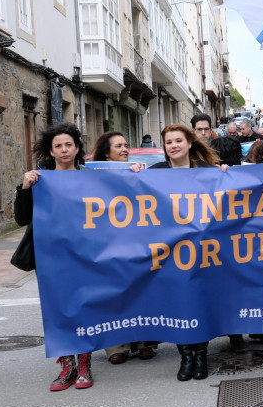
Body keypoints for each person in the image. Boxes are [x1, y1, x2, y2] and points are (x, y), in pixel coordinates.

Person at [135, 124, 224, 381]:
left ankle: (201, 355)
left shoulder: (208, 172)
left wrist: (227, 174)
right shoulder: (155, 173)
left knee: (199, 301)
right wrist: (132, 173)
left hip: (203, 251)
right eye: (169, 142)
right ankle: (185, 356)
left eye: (178, 141)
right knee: (177, 303)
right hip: (169, 252)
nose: (173, 145)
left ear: (189, 143)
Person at [16, 123, 95, 391]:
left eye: (68, 145)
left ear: (77, 148)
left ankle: (84, 363)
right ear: (51, 151)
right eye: (58, 146)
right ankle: (67, 365)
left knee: (84, 305)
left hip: (84, 255)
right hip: (51, 257)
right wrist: (25, 188)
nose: (64, 150)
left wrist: (133, 173)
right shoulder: (40, 179)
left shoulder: (90, 178)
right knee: (57, 308)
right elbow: (21, 219)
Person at [91, 131, 158, 363]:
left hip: (138, 241)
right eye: (118, 146)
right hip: (108, 242)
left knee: (141, 289)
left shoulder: (139, 172)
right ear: (106, 155)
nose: (125, 149)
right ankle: (115, 346)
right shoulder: (93, 177)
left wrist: (140, 176)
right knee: (113, 292)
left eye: (126, 145)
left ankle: (143, 342)